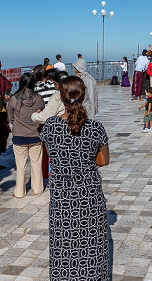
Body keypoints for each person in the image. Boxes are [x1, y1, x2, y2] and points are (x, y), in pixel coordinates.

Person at [40, 77, 110, 280]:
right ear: (84, 95)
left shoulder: (51, 127)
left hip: (62, 201)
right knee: (91, 249)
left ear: (60, 97)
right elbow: (103, 161)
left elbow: (51, 154)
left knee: (64, 249)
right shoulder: (96, 128)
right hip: (89, 199)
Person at [7, 72, 45, 198]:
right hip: (35, 135)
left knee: (21, 165)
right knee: (36, 163)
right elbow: (42, 111)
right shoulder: (38, 98)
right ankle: (38, 188)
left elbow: (10, 117)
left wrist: (18, 123)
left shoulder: (14, 99)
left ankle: (19, 192)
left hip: (19, 136)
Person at [32, 71, 68, 180]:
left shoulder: (57, 96)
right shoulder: (73, 93)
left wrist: (34, 116)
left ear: (56, 83)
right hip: (72, 129)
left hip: (58, 131)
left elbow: (46, 117)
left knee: (56, 160)